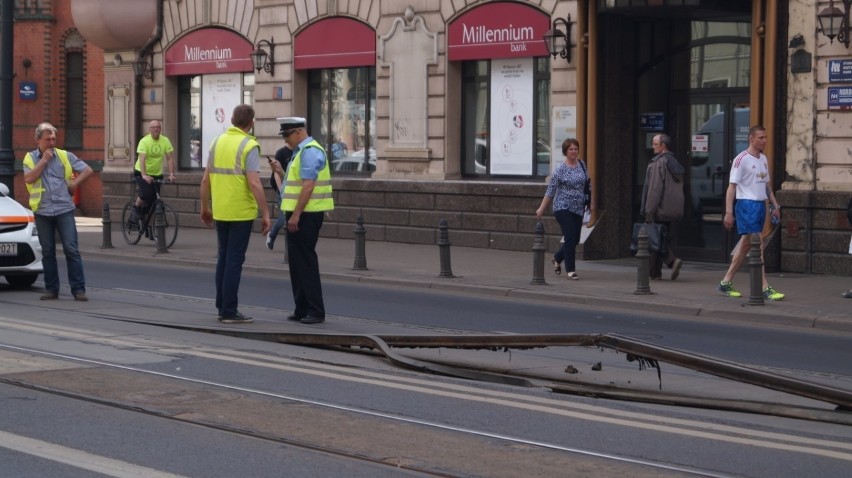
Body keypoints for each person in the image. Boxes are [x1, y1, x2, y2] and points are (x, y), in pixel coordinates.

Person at [200, 105, 271, 323]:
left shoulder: (216, 142)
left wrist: (205, 207)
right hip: (240, 211)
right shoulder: (249, 145)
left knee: (223, 257)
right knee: (234, 260)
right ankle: (229, 310)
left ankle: (222, 305)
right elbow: (254, 182)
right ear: (251, 123)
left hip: (220, 210)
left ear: (231, 119)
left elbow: (205, 180)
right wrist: (266, 212)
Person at [22, 122, 93, 301]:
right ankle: (51, 289)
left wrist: (75, 184)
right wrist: (44, 160)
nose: (52, 143)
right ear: (38, 140)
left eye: (54, 139)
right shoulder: (30, 158)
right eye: (48, 139)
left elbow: (87, 169)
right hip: (43, 210)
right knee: (48, 251)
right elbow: (29, 178)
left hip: (64, 209)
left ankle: (78, 289)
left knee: (71, 249)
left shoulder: (64, 155)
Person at [278, 116, 334, 324]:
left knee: (306, 262)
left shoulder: (310, 151)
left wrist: (296, 215)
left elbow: (308, 186)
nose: (285, 140)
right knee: (296, 263)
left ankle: (315, 310)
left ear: (299, 131)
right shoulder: (300, 152)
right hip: (298, 213)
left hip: (306, 215)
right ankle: (301, 308)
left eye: (287, 135)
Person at [718, 125, 784, 301]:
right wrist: (729, 212)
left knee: (747, 244)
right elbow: (731, 187)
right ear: (751, 138)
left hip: (760, 205)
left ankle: (725, 282)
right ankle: (764, 286)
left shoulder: (763, 158)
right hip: (746, 205)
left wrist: (775, 205)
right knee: (757, 244)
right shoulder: (741, 160)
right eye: (761, 137)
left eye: (765, 137)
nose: (764, 141)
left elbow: (767, 186)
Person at [536, 138, 594, 280]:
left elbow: (587, 185)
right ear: (565, 152)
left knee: (575, 239)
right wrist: (541, 208)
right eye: (571, 149)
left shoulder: (582, 165)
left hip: (578, 207)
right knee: (569, 237)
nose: (574, 151)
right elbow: (550, 191)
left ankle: (557, 258)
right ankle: (571, 270)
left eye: (575, 149)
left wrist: (590, 203)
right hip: (562, 207)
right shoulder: (560, 170)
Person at [640, 133, 685, 280]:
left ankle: (671, 261)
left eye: (655, 144)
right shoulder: (675, 163)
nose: (652, 146)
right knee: (659, 238)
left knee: (655, 239)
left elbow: (654, 189)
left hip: (659, 209)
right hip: (672, 209)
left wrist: (649, 211)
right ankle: (654, 273)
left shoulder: (658, 163)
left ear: (663, 146)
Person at [131, 120, 176, 223]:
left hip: (157, 174)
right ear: (149, 129)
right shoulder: (144, 141)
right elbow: (142, 159)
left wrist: (171, 174)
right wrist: (144, 175)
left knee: (154, 200)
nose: (156, 129)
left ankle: (146, 221)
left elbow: (169, 158)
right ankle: (136, 207)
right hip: (141, 172)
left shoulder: (165, 140)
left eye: (158, 127)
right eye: (154, 127)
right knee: (146, 194)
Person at [266, 145, 293, 250]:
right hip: (282, 190)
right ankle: (271, 235)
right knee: (283, 219)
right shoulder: (281, 152)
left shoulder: (299, 151)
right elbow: (277, 173)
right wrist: (281, 190)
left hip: (293, 191)